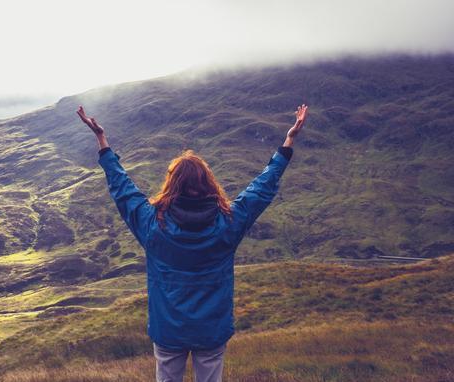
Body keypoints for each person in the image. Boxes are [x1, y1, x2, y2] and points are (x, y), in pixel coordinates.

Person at [77, 103, 308, 382]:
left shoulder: (153, 225)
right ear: (208, 183)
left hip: (168, 330)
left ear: (171, 185)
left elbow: (122, 190)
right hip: (212, 329)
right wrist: (288, 142)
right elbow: (261, 189)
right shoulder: (228, 223)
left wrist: (102, 142)